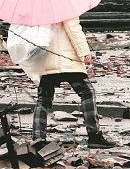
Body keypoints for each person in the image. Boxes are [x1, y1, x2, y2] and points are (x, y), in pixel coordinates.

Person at [27, 15, 115, 148]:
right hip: (67, 59)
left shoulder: (40, 10)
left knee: (43, 99)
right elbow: (73, 29)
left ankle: (38, 140)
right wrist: (84, 52)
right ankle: (94, 136)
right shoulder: (65, 7)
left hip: (46, 60)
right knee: (87, 93)